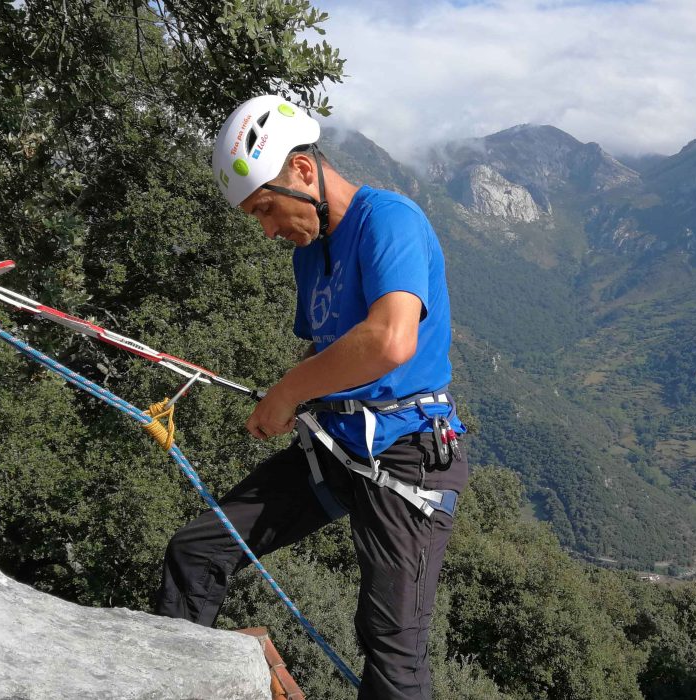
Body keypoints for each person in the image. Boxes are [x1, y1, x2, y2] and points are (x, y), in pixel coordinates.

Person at [154, 95, 468, 700]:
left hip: (407, 455)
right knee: (196, 550)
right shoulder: (310, 253)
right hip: (338, 444)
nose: (268, 229)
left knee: (392, 643)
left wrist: (287, 393)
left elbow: (390, 339)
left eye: (267, 208)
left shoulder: (390, 221)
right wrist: (293, 399)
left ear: (303, 170)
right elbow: (329, 348)